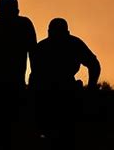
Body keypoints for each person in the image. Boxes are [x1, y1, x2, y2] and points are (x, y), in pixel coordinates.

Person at [30, 17, 101, 150]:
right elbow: (94, 64)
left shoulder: (44, 46)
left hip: (58, 95)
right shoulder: (72, 43)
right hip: (51, 96)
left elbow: (94, 64)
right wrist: (91, 88)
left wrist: (91, 87)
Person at [0, 0, 37, 150]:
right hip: (12, 80)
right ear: (17, 10)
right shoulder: (24, 24)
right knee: (12, 124)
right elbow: (32, 51)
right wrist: (34, 77)